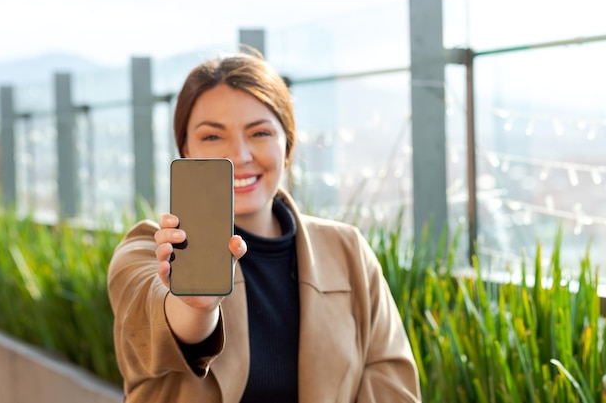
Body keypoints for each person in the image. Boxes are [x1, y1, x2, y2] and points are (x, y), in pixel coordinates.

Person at [107, 51, 421, 403]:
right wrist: (195, 308)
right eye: (212, 137)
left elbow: (392, 385)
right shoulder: (147, 249)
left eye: (259, 132)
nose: (239, 155)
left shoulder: (347, 250)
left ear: (287, 144)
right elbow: (154, 330)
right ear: (186, 150)